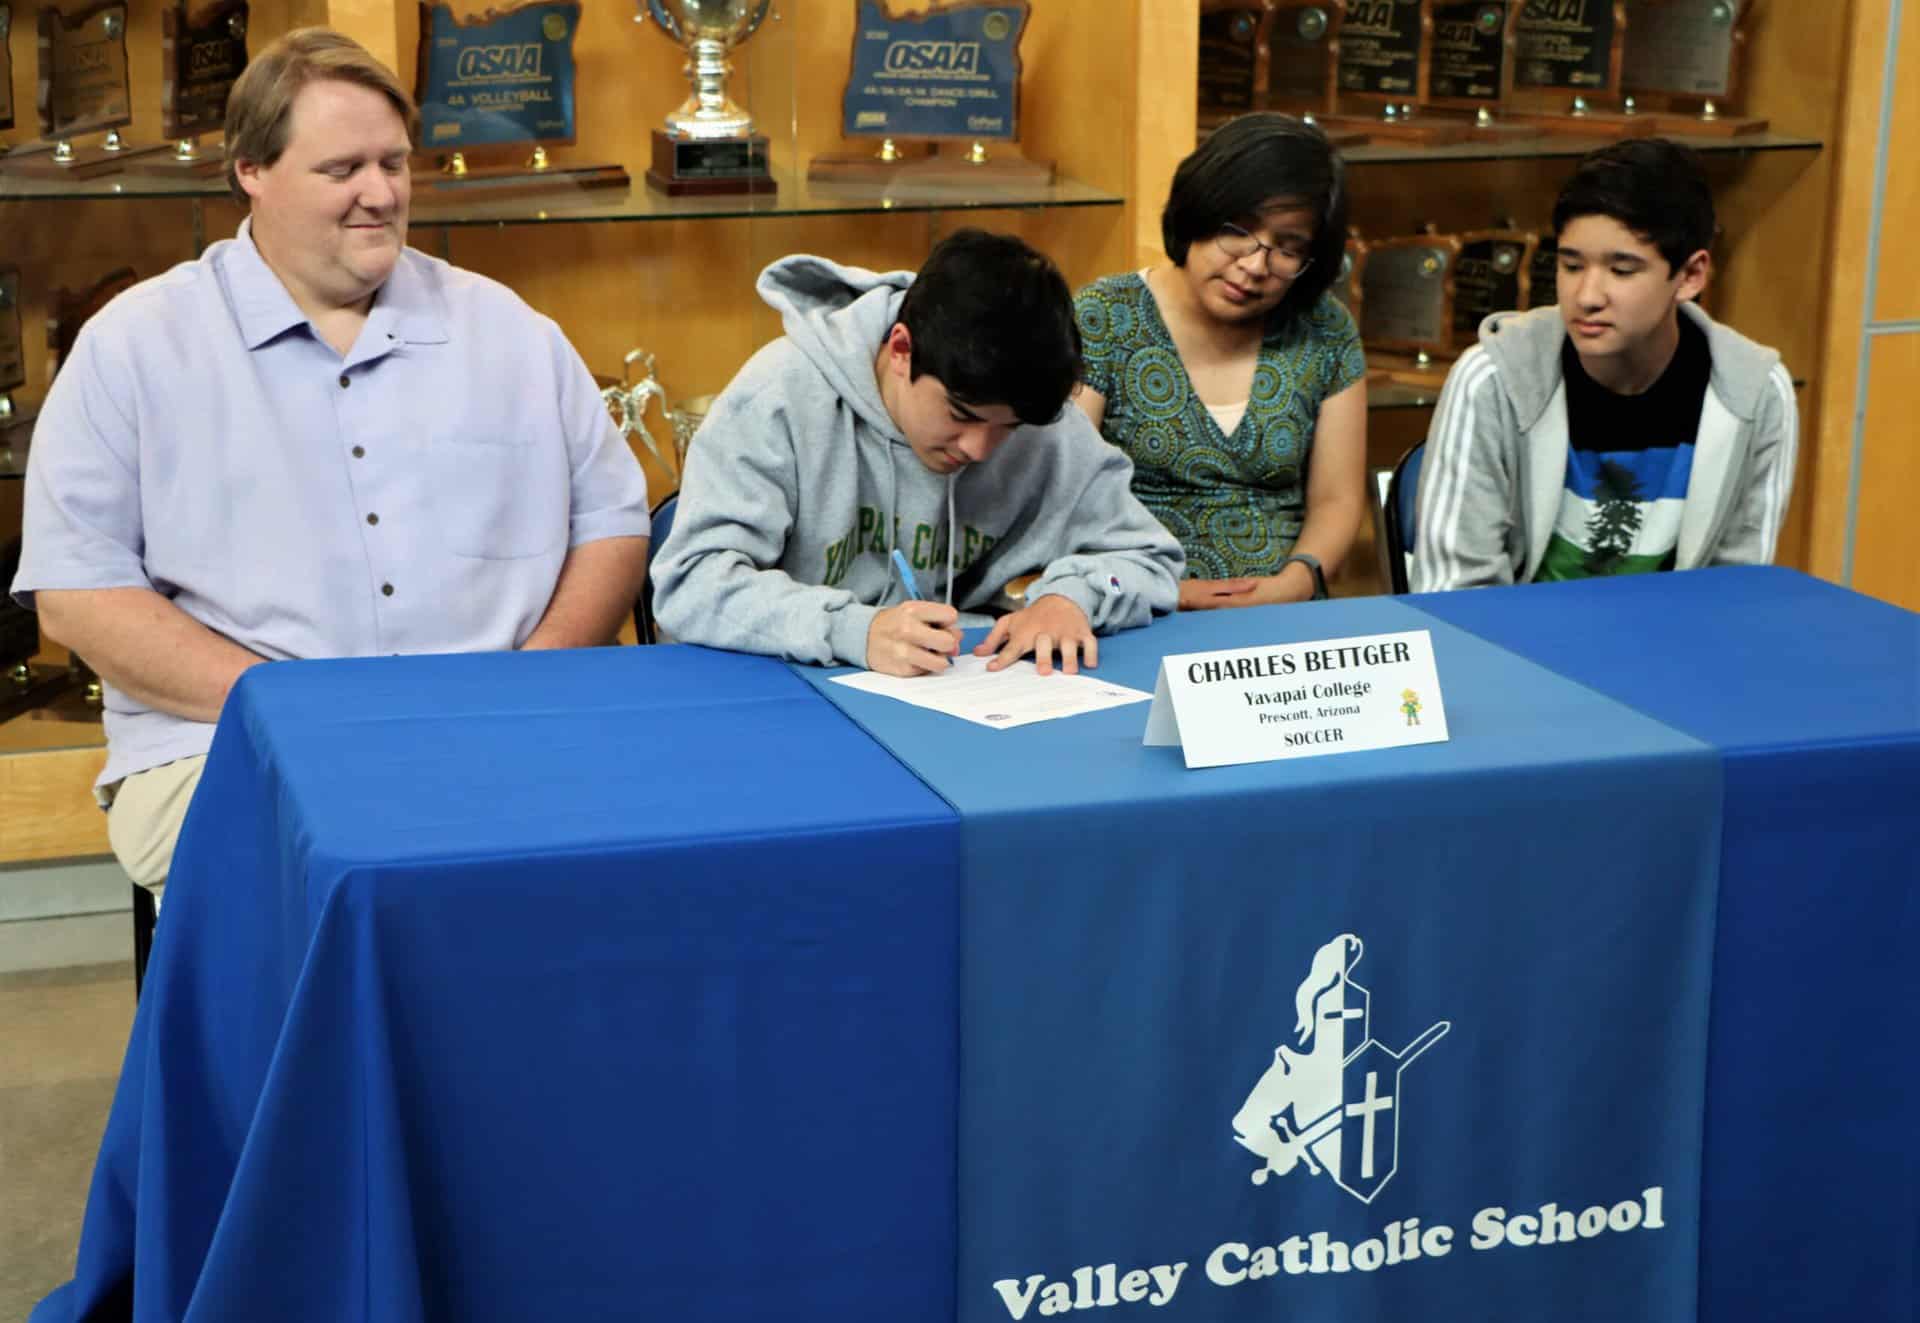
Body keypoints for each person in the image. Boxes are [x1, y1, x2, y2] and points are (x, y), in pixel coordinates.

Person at [9, 29, 652, 898]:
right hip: (228, 740)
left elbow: (611, 522)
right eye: (341, 169)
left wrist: (525, 680)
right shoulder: (134, 347)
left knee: (640, 859)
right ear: (251, 171)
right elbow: (79, 591)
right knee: (365, 866)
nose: (379, 194)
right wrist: (300, 712)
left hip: (503, 725)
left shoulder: (511, 332)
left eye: (394, 163)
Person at [650, 228, 1184, 677]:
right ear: (901, 349)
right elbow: (691, 583)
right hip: (789, 689)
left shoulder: (1033, 407)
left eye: (1009, 428)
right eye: (961, 414)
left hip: (967, 694)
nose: (978, 448)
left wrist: (1070, 598)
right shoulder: (777, 398)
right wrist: (851, 629)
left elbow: (1149, 558)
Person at [1413, 138, 1799, 590]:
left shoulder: (1755, 394)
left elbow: (1736, 597)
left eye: (1622, 270)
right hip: (1515, 650)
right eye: (1571, 266)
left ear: (1691, 276)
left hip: (1670, 655)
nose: (1587, 297)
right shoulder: (1492, 381)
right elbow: (1457, 597)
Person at [1075, 113, 1368, 610]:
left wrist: (1295, 583)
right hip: (1132, 609)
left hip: (1284, 613)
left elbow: (1338, 501)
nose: (1255, 266)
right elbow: (1063, 497)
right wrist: (1165, 593)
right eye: (1239, 231)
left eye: (1288, 249)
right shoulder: (1103, 317)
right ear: (1198, 212)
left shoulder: (1325, 331)